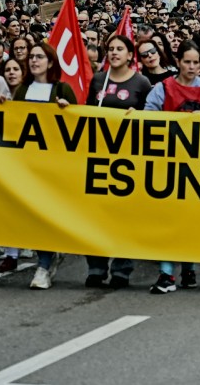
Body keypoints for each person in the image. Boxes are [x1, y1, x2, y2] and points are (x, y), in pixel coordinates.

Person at [143, 41, 200, 294]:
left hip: (199, 164)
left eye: (195, 62)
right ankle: (167, 273)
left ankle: (188, 269)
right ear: (178, 62)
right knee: (170, 219)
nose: (191, 67)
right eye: (187, 62)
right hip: (169, 162)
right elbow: (147, 119)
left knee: (189, 219)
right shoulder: (163, 89)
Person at [84, 35, 150, 289]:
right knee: (97, 216)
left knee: (125, 216)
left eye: (119, 49)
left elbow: (153, 115)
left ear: (130, 54)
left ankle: (122, 268)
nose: (114, 53)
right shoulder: (98, 80)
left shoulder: (141, 83)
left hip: (129, 159)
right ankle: (96, 267)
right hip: (99, 156)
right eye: (110, 49)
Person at [14, 43, 77, 290]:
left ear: (50, 62)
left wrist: (67, 111)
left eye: (40, 57)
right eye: (31, 57)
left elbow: (77, 124)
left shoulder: (63, 89)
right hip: (27, 163)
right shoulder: (22, 90)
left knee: (46, 214)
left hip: (53, 165)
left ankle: (43, 265)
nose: (34, 61)